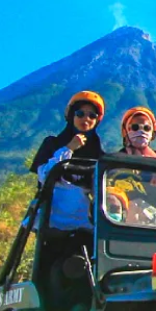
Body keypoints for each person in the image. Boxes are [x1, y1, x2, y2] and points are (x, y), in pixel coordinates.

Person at [29, 91, 105, 231]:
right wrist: (69, 148)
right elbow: (45, 176)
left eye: (92, 116)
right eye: (80, 114)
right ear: (71, 115)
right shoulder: (51, 144)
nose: (86, 119)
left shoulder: (99, 156)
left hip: (82, 224)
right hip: (50, 221)